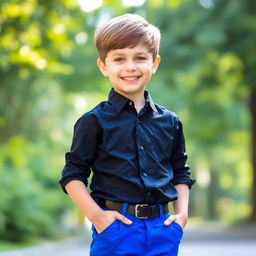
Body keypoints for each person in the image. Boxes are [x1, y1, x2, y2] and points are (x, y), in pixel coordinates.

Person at [59, 13, 195, 256]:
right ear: (104, 66)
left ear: (154, 63)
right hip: (116, 230)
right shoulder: (93, 121)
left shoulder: (170, 121)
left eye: (140, 58)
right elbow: (72, 176)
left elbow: (181, 172)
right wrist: (97, 217)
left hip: (163, 230)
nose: (130, 67)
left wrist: (181, 216)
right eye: (119, 59)